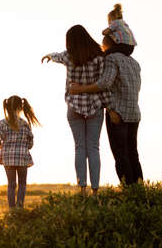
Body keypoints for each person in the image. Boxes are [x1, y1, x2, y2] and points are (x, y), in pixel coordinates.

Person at [41, 25, 111, 196]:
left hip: (73, 106)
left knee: (80, 148)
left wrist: (49, 56)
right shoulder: (99, 57)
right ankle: (95, 192)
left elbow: (57, 55)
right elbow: (103, 86)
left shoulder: (68, 56)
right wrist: (110, 106)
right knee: (93, 148)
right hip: (95, 106)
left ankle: (82, 189)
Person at [69, 35, 143, 186]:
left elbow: (104, 83)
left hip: (118, 114)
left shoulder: (111, 59)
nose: (101, 47)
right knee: (133, 154)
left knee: (121, 155)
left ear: (110, 44)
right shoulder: (134, 62)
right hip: (134, 113)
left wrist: (80, 89)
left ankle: (129, 192)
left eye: (103, 43)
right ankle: (140, 190)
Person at [0, 95, 40, 208]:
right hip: (22, 157)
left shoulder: (2, 124)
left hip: (8, 158)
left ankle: (12, 210)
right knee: (22, 184)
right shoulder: (25, 124)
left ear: (6, 107)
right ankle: (19, 208)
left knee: (11, 185)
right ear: (21, 107)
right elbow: (30, 144)